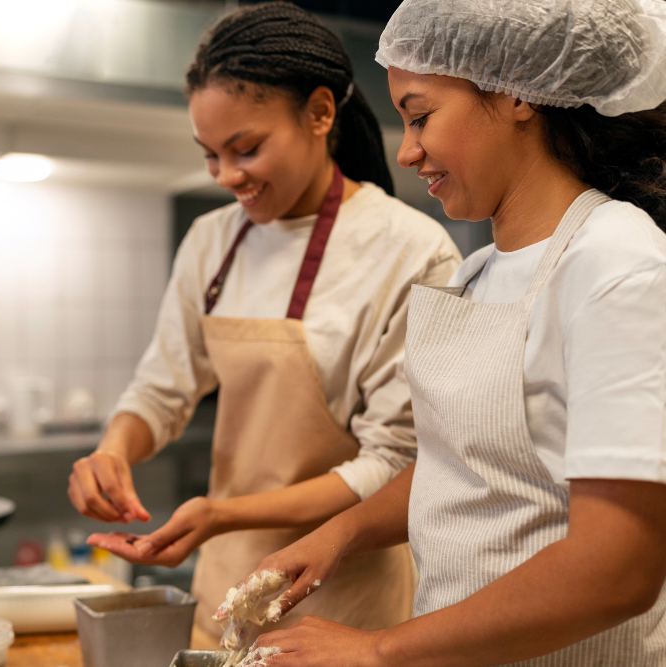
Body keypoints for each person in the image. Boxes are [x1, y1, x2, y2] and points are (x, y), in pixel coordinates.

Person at [235, 0, 666, 664]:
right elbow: (461, 463)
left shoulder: (616, 265)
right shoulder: (474, 275)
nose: (406, 150)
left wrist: (378, 649)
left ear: (517, 91)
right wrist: (340, 534)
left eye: (420, 116)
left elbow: (618, 567)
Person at [66, 1, 461, 646]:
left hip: (348, 604)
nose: (227, 177)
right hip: (226, 589)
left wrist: (221, 513)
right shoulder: (210, 241)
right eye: (209, 156)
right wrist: (114, 449)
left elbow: (392, 463)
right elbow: (161, 389)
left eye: (245, 148)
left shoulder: (410, 252)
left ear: (320, 114)